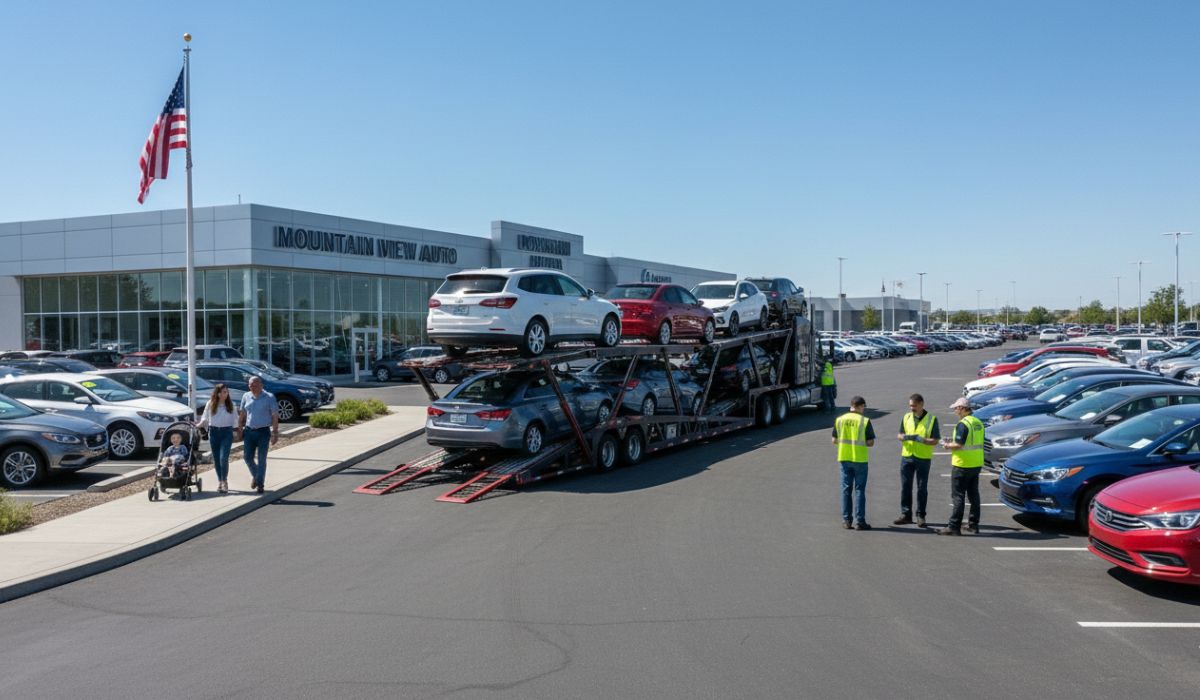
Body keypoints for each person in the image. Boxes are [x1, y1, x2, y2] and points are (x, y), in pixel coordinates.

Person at [938, 397, 985, 536]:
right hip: (976, 463)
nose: (955, 411)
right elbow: (973, 441)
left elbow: (959, 445)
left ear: (962, 408)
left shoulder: (963, 424)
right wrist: (953, 441)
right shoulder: (978, 422)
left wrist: (947, 445)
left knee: (958, 496)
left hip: (962, 464)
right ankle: (973, 525)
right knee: (973, 495)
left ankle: (954, 526)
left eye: (956, 408)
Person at [893, 393, 940, 527]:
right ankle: (906, 514)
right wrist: (904, 437)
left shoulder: (931, 419)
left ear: (921, 404)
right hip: (907, 456)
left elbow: (935, 440)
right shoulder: (907, 417)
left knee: (921, 488)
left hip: (923, 458)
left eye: (914, 406)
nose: (911, 408)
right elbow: (899, 434)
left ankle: (921, 516)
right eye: (910, 406)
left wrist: (922, 440)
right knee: (905, 487)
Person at [832, 395, 875, 530]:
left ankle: (847, 521)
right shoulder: (864, 421)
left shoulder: (840, 420)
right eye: (863, 407)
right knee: (859, 490)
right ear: (860, 406)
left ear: (851, 406)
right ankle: (860, 521)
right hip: (860, 459)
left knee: (846, 490)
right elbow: (870, 442)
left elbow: (834, 440)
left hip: (844, 458)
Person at [237, 375, 280, 495]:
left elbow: (274, 415)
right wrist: (239, 427)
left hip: (263, 432)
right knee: (247, 457)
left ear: (261, 385)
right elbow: (242, 413)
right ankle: (257, 476)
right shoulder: (246, 396)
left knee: (261, 459)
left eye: (255, 385)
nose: (252, 387)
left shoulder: (269, 397)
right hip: (249, 431)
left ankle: (260, 484)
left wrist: (275, 432)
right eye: (250, 385)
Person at [198, 383, 237, 494]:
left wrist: (236, 431)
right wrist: (199, 425)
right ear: (218, 393)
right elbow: (205, 418)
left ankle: (224, 481)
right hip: (214, 432)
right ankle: (220, 481)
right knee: (216, 459)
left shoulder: (231, 404)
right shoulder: (210, 404)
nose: (226, 394)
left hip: (226, 433)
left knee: (223, 458)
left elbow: (235, 420)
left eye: (226, 392)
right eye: (223, 392)